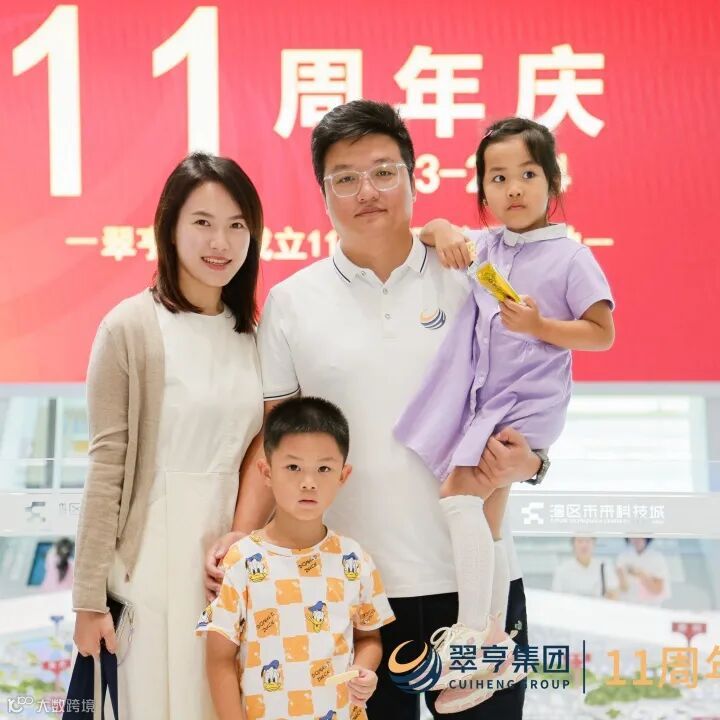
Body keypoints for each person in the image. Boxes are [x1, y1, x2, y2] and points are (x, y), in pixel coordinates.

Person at [206, 100, 545, 720]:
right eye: (345, 178)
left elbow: (535, 388)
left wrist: (537, 463)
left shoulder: (473, 275)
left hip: (478, 589)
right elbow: (274, 439)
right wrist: (242, 535)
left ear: (414, 178)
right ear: (323, 194)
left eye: (384, 172)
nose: (367, 191)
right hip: (346, 594)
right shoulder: (292, 302)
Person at [394, 116, 615, 710]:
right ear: (483, 190)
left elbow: (602, 333)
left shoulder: (570, 256)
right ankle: (491, 646)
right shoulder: (488, 247)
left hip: (527, 406)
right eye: (498, 177)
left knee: (457, 494)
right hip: (493, 405)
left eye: (528, 174)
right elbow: (425, 232)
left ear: (552, 182)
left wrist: (541, 325)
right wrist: (443, 228)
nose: (513, 188)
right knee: (486, 519)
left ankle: (473, 633)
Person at [71, 152, 265, 719]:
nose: (220, 242)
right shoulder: (129, 327)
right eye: (202, 222)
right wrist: (88, 600)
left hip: (228, 556)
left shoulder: (255, 336)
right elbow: (107, 465)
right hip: (148, 557)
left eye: (237, 225)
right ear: (170, 229)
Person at [197, 397, 394, 720]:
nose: (308, 482)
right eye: (293, 467)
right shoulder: (241, 560)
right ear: (266, 472)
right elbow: (219, 660)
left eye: (324, 469)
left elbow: (369, 638)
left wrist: (364, 670)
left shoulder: (355, 560)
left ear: (343, 476)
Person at [552, 537, 619, 599]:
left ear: (594, 544)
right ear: (573, 545)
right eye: (580, 541)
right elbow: (556, 599)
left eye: (588, 541)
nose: (584, 545)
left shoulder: (604, 568)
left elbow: (614, 596)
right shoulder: (562, 570)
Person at [616, 538, 670, 605]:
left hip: (651, 604)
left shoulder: (657, 557)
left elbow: (658, 589)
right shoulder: (623, 556)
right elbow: (623, 588)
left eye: (640, 537)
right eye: (633, 537)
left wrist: (641, 575)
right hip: (628, 603)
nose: (636, 540)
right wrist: (623, 575)